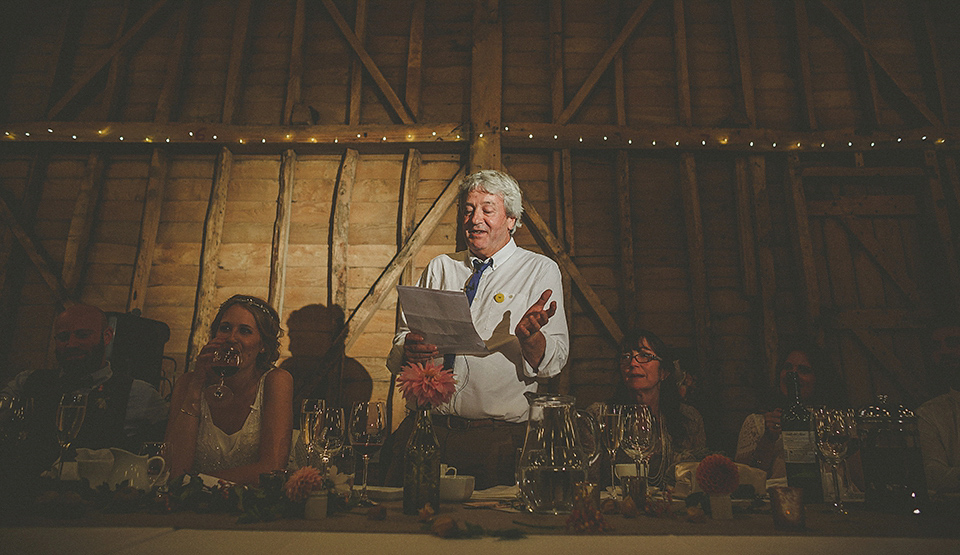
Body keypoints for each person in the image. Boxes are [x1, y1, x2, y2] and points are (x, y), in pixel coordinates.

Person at [382, 169, 569, 489]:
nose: (474, 218)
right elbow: (402, 339)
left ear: (511, 218)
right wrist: (407, 348)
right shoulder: (441, 267)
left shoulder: (539, 270)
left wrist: (530, 337)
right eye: (468, 210)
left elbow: (554, 362)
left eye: (487, 209)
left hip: (496, 442)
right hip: (427, 429)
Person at [1, 303, 167, 472]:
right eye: (63, 337)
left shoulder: (139, 395)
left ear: (107, 336)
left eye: (82, 335)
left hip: (96, 496)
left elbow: (162, 458)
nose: (71, 344)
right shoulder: (28, 382)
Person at [165, 295, 293, 485]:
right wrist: (197, 383)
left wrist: (198, 483)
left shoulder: (276, 382)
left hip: (251, 506)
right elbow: (173, 468)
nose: (232, 338)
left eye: (245, 331)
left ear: (263, 346)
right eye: (225, 328)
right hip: (190, 506)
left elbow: (272, 468)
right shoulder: (188, 383)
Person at [594, 329, 705, 488]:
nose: (633, 363)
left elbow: (697, 479)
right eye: (626, 357)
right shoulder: (601, 415)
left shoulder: (689, 419)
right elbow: (588, 480)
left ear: (664, 372)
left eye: (645, 356)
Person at [734, 340, 847, 479]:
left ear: (820, 378)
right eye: (787, 367)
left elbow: (858, 481)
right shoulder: (757, 423)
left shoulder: (835, 421)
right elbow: (744, 481)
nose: (792, 375)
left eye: (803, 370)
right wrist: (768, 439)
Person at [917, 321, 960, 493]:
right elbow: (933, 475)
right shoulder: (930, 413)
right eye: (936, 346)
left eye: (953, 342)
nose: (944, 351)